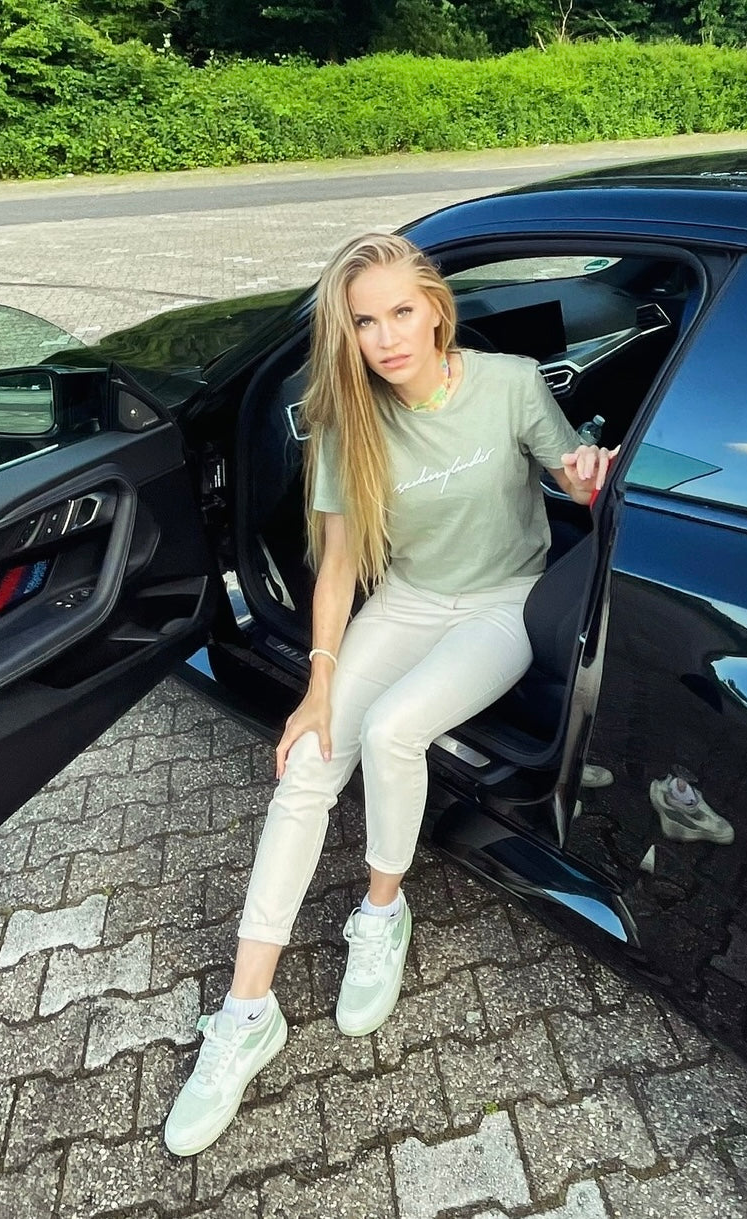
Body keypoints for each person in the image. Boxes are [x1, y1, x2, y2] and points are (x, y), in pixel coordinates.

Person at [164, 233, 616, 1157]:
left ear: (435, 310)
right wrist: (317, 682)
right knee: (308, 759)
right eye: (364, 322)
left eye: (401, 311)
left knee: (394, 730)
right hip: (408, 599)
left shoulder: (509, 382)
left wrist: (583, 476)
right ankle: (245, 1012)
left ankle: (380, 912)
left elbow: (570, 473)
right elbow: (337, 566)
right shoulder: (349, 421)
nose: (385, 337)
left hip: (502, 600)